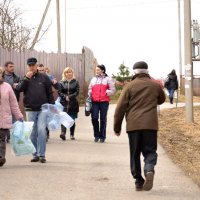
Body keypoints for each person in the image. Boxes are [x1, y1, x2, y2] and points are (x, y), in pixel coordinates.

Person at [114, 61, 165, 191]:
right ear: (147, 71)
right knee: (150, 151)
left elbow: (120, 107)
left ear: (134, 72)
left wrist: (117, 127)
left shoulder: (129, 86)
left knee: (135, 153)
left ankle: (138, 181)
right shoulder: (155, 85)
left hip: (133, 126)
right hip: (150, 125)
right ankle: (149, 168)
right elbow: (162, 99)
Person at [15, 57, 55, 163]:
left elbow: (49, 92)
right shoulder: (25, 78)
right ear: (27, 66)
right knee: (32, 132)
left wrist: (52, 106)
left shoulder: (44, 77)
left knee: (41, 130)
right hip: (30, 108)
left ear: (37, 65)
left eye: (33, 65)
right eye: (30, 65)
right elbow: (19, 89)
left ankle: (42, 155)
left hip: (43, 108)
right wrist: (26, 79)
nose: (32, 67)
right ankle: (35, 154)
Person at [0, 67, 23, 167]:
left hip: (3, 118)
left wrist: (19, 116)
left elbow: (13, 103)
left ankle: (1, 158)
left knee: (1, 139)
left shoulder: (7, 87)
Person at [88, 64, 115, 143]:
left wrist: (107, 92)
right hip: (94, 101)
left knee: (103, 119)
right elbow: (90, 88)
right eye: (96, 70)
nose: (96, 71)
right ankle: (96, 135)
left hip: (104, 102)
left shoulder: (108, 79)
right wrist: (90, 92)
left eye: (98, 70)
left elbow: (113, 90)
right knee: (94, 118)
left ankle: (102, 136)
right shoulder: (93, 79)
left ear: (103, 70)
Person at [58, 67, 79, 140]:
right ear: (64, 73)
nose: (69, 73)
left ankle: (72, 134)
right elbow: (59, 92)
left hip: (73, 103)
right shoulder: (61, 82)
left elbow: (77, 92)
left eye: (70, 72)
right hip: (63, 103)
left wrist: (69, 97)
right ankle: (63, 133)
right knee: (64, 118)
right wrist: (65, 97)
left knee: (72, 119)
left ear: (72, 73)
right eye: (67, 72)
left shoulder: (76, 82)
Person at [2, 61, 21, 143]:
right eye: (10, 66)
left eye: (13, 66)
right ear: (6, 67)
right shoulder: (2, 77)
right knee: (5, 119)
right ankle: (5, 136)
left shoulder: (17, 77)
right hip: (3, 102)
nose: (12, 68)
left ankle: (10, 137)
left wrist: (17, 86)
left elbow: (21, 88)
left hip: (14, 100)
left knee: (13, 119)